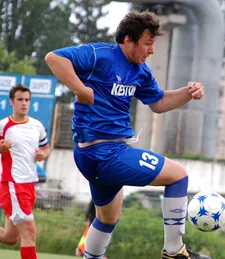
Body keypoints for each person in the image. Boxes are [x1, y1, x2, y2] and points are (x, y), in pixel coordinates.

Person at [45, 10, 208, 259]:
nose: (151, 51)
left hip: (96, 154)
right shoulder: (100, 55)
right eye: (148, 44)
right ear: (128, 40)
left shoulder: (140, 71)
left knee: (107, 218)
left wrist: (187, 92)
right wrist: (80, 89)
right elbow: (54, 58)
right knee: (178, 176)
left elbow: (159, 102)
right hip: (104, 154)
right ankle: (175, 250)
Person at [0, 84, 51, 259]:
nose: (24, 103)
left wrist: (42, 155)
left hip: (29, 185)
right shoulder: (3, 126)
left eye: (27, 100)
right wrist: (2, 148)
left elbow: (47, 148)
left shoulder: (36, 126)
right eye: (20, 100)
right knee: (29, 233)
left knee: (10, 237)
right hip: (12, 185)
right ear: (11, 102)